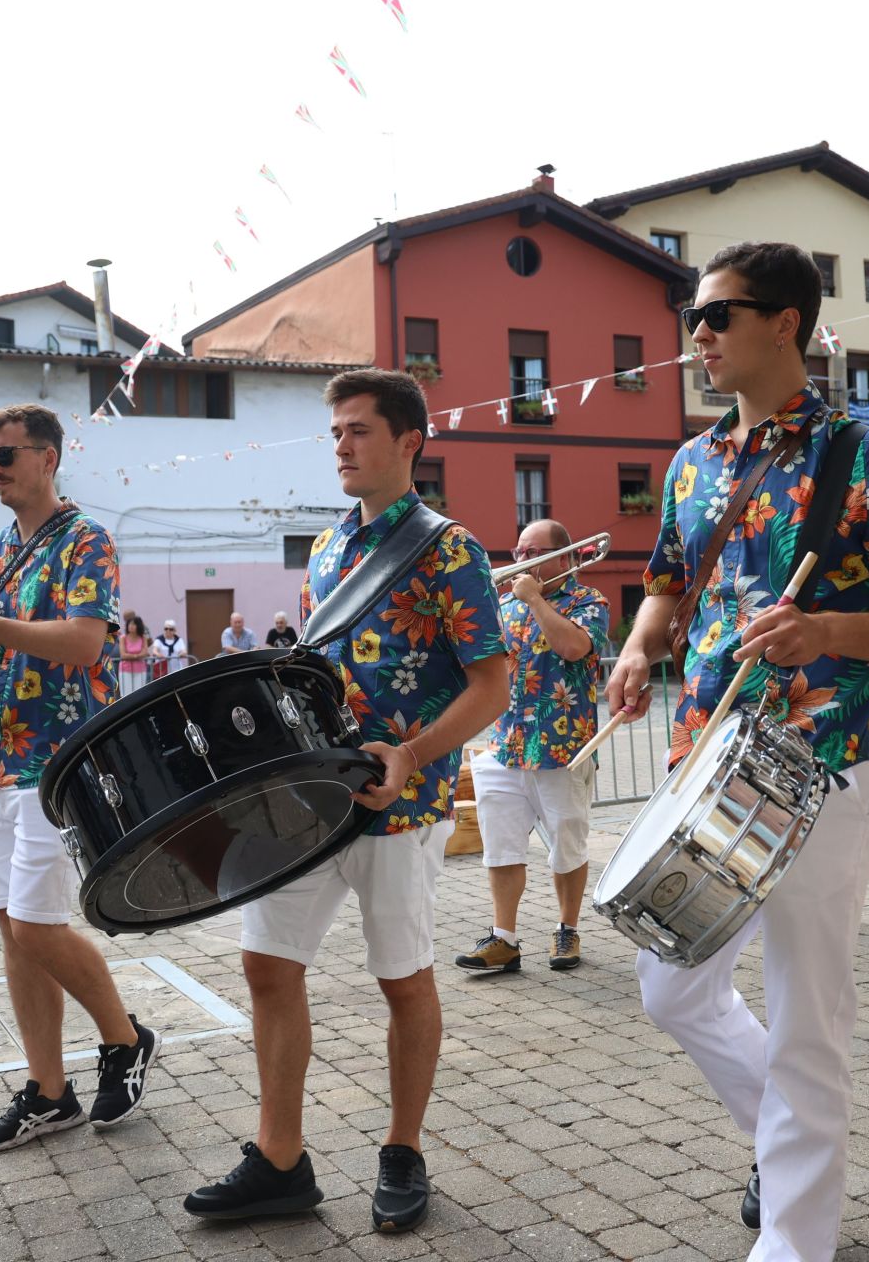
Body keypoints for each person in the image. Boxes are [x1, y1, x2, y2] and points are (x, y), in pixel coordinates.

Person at [604, 242, 869, 1258]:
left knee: (810, 1019)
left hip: (824, 764)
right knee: (670, 984)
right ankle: (791, 1140)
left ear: (787, 325)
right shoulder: (689, 463)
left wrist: (832, 633)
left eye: (720, 315)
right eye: (695, 316)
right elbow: (667, 586)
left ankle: (796, 1238)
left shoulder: (866, 458)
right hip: (706, 760)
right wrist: (639, 650)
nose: (699, 335)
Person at [184, 368, 507, 1234]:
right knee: (266, 964)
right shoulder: (327, 549)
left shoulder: (451, 550)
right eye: (334, 433)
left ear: (409, 441)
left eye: (358, 431)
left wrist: (411, 752)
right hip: (312, 798)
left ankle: (402, 1149)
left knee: (402, 981)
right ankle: (281, 1161)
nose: (341, 447)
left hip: (402, 805)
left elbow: (491, 687)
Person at [0, 401, 158, 1154]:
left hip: (58, 764)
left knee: (36, 925)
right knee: (12, 931)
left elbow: (87, 644)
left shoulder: (87, 540)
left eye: (5, 456)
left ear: (48, 457)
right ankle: (49, 1091)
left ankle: (124, 1039)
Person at [455, 519, 609, 977]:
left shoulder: (588, 601)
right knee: (500, 847)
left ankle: (567, 928)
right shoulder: (503, 603)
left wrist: (536, 600)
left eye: (533, 553)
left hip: (562, 748)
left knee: (567, 845)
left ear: (563, 558)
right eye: (519, 552)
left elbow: (574, 648)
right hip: (505, 744)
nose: (521, 562)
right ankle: (504, 939)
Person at [117, 616, 151, 695]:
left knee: (139, 693)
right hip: (125, 670)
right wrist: (137, 656)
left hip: (140, 669)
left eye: (133, 624)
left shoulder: (143, 638)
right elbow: (123, 655)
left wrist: (131, 656)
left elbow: (145, 652)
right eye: (129, 624)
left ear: (138, 626)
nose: (130, 626)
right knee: (126, 694)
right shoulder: (123, 638)